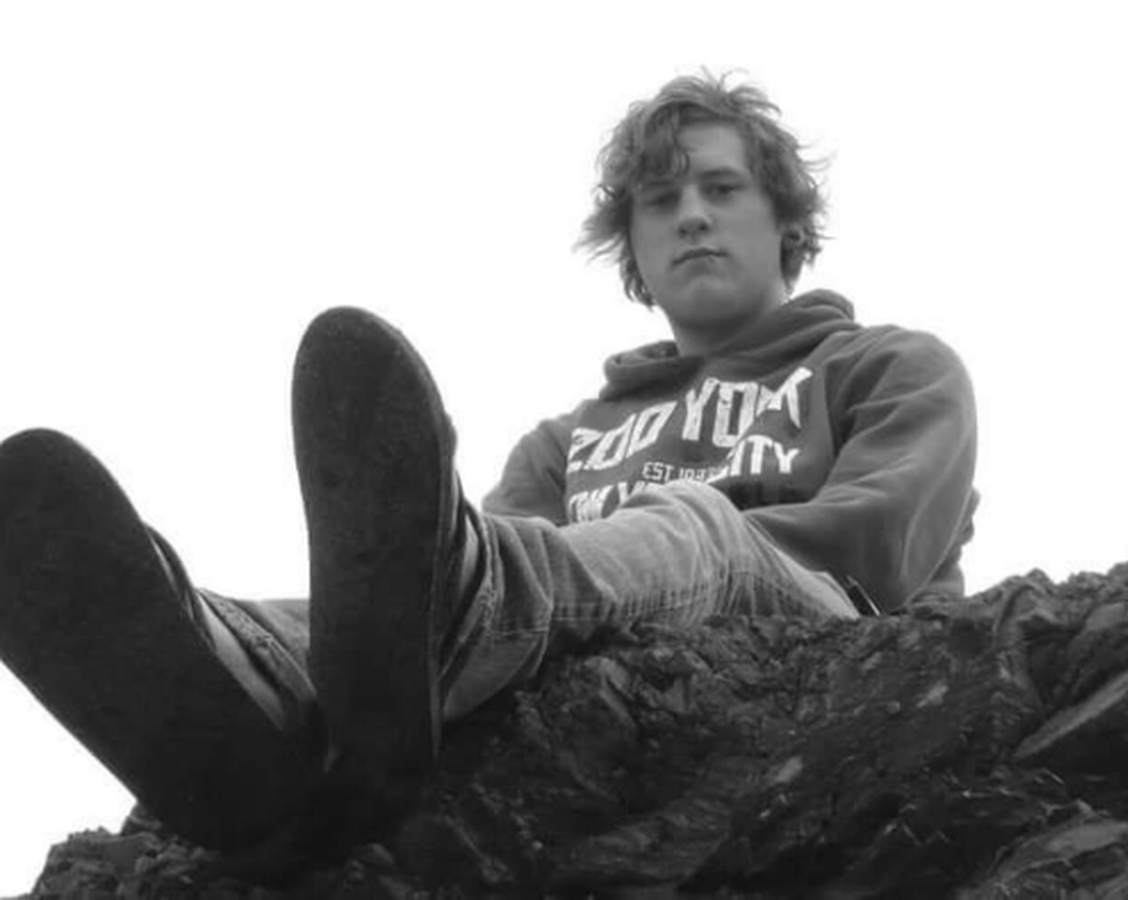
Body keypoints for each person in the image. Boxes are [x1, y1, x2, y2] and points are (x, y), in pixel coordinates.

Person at [0, 72, 978, 860]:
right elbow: (450, 590)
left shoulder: (891, 366)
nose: (691, 216)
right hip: (613, 666)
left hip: (828, 637)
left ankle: (449, 611)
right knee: (409, 595)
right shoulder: (566, 439)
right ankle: (233, 669)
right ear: (633, 248)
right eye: (661, 200)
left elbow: (875, 546)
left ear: (785, 220)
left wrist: (665, 549)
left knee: (687, 527)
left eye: (721, 189)